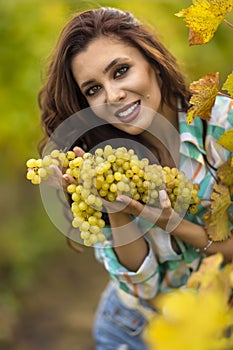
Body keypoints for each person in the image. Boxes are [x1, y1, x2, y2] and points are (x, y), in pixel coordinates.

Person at [38, 7, 233, 350]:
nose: (112, 96)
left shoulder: (221, 127)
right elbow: (145, 289)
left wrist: (173, 224)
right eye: (93, 89)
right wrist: (114, 208)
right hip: (132, 330)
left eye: (121, 71)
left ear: (153, 62)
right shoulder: (98, 163)